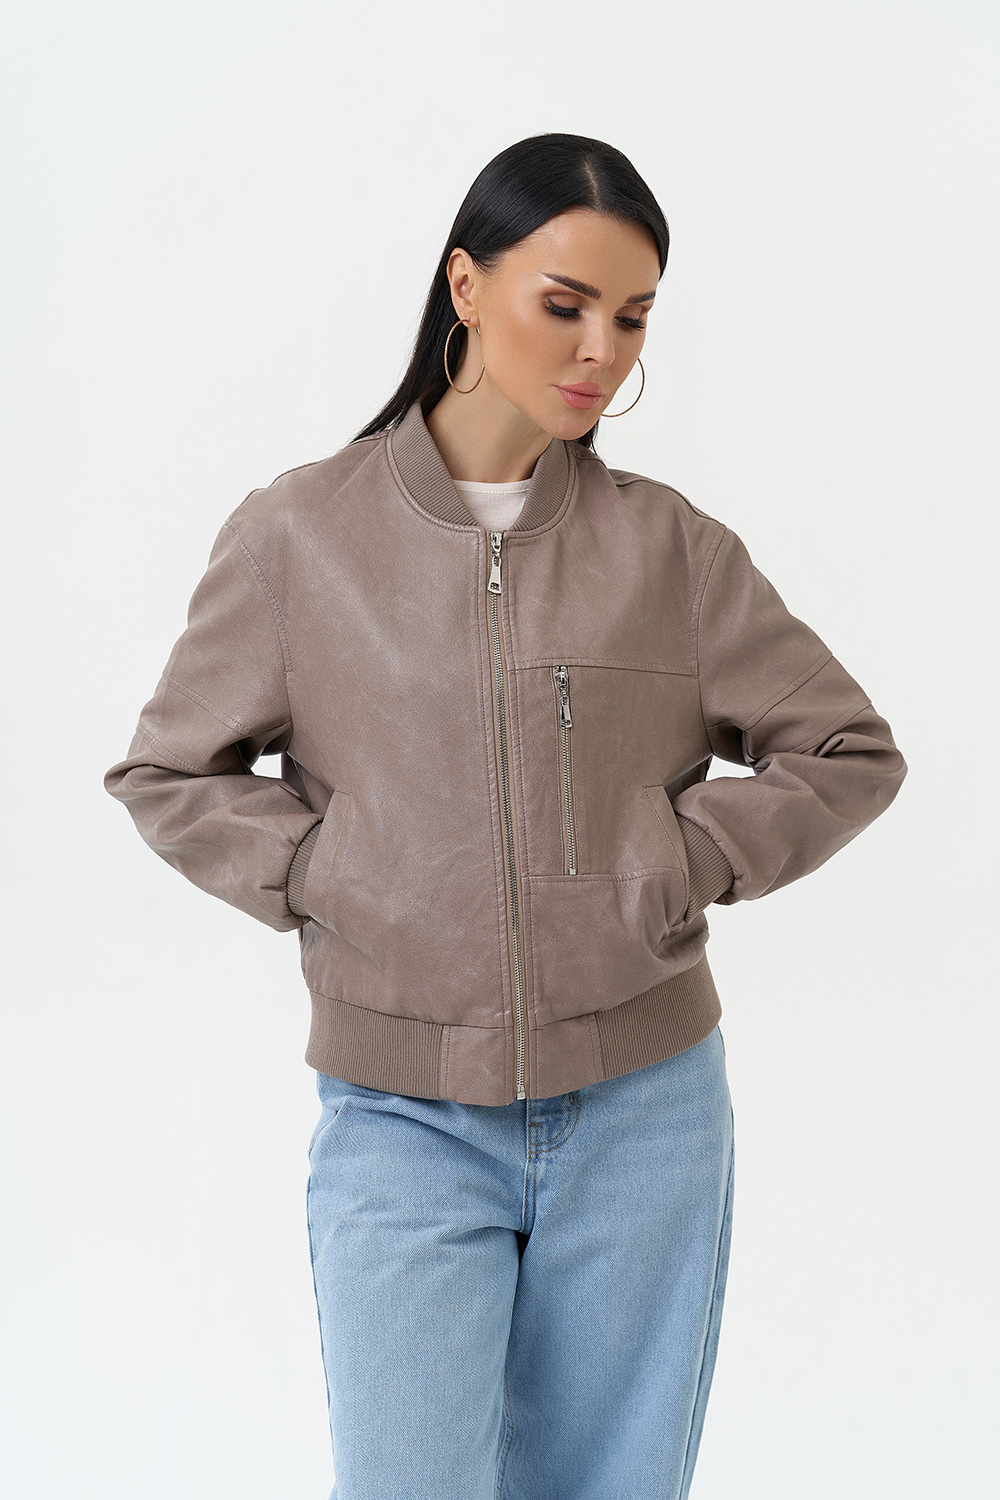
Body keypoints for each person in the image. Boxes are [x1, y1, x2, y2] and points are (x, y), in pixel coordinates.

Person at [104, 133, 908, 1500]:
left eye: (633, 317)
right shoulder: (301, 537)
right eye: (566, 303)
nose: (602, 350)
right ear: (466, 287)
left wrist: (681, 860)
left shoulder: (669, 549)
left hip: (647, 1118)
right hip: (402, 1122)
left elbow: (847, 749)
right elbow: (169, 772)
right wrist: (331, 869)